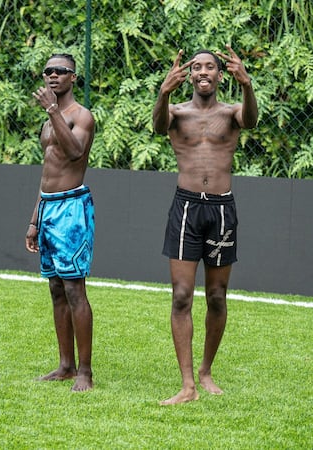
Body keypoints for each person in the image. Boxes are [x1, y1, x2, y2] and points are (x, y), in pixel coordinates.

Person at [153, 45, 258, 405]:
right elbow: (157, 126)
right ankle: (187, 385)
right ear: (188, 75)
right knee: (181, 296)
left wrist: (247, 85)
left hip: (221, 210)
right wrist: (163, 92)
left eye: (209, 67)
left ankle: (206, 371)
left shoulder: (231, 113)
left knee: (216, 296)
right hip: (185, 209)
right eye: (196, 67)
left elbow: (252, 120)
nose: (202, 73)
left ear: (219, 74)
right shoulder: (177, 113)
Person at [25, 53, 95, 392]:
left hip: (71, 209)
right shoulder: (47, 120)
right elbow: (47, 171)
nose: (52, 76)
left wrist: (53, 111)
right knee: (55, 288)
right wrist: (34, 218)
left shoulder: (82, 115)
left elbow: (74, 154)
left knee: (74, 289)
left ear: (73, 78)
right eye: (48, 71)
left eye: (60, 71)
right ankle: (65, 365)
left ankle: (85, 371)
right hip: (49, 208)